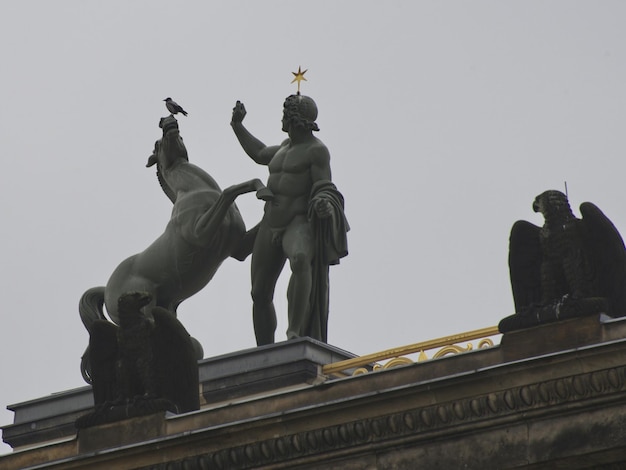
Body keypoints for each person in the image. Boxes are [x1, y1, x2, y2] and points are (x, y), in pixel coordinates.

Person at [231, 94, 349, 345]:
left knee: (300, 258)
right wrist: (238, 126)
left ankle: (294, 332)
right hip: (269, 223)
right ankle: (264, 349)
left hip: (297, 222)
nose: (282, 119)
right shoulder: (282, 148)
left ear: (296, 120)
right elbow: (259, 153)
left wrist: (324, 203)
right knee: (259, 293)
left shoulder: (317, 151)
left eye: (285, 114)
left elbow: (325, 186)